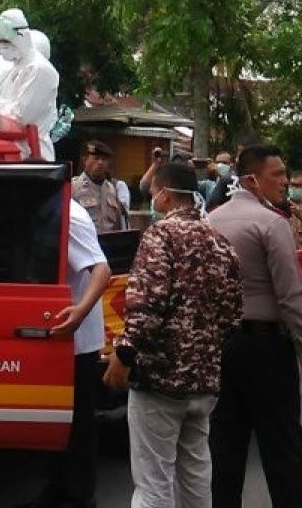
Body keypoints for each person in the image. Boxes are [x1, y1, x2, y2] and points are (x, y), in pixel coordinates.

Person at [103, 163, 243, 508]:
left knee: (153, 485)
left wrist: (123, 355)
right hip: (204, 382)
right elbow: (233, 314)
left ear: (165, 195)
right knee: (196, 477)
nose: (153, 200)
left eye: (153, 194)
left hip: (159, 382)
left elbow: (146, 306)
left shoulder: (160, 235)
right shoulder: (220, 240)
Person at [207, 145, 302, 508]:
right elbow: (290, 295)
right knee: (281, 445)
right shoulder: (271, 223)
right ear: (252, 179)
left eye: (286, 174)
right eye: (278, 174)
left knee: (226, 445)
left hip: (222, 346)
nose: (285, 182)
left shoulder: (211, 220)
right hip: (266, 348)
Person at [20, 200, 110, 508]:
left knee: (78, 424)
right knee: (55, 420)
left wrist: (81, 312)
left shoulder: (67, 215)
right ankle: (57, 491)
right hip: (55, 333)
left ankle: (79, 496)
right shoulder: (48, 208)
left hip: (75, 340)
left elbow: (102, 268)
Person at [0, 8, 60, 161]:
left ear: (21, 37)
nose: (2, 47)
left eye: (6, 42)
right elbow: (0, 107)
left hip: (33, 156)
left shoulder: (39, 70)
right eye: (0, 41)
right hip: (9, 151)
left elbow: (20, 118)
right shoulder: (13, 68)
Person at [72, 140, 130, 233]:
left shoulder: (113, 189)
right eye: (96, 158)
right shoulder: (73, 188)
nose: (100, 162)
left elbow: (119, 223)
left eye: (104, 159)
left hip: (109, 243)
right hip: (85, 242)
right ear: (85, 160)